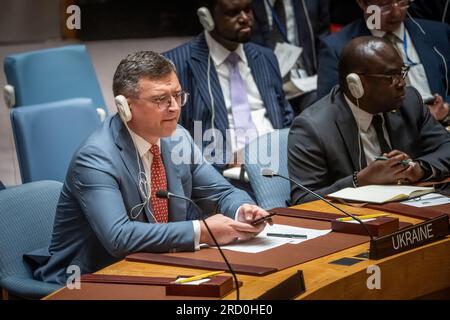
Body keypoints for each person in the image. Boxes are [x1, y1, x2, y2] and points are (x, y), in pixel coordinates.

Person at [25, 51, 269, 284]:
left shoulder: (178, 138)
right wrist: (201, 231)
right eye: (161, 99)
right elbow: (119, 238)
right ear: (125, 106)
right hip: (90, 277)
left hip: (156, 265)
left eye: (177, 95)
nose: (174, 107)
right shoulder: (95, 158)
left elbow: (222, 193)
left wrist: (242, 211)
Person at [288, 36, 450, 204]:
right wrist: (359, 181)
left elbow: (446, 147)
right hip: (357, 220)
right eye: (390, 76)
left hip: (414, 208)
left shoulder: (410, 102)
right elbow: (303, 199)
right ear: (356, 84)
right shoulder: (313, 127)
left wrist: (419, 168)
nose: (401, 83)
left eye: (401, 72)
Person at [164, 0, 293, 173]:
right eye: (233, 13)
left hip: (280, 165)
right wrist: (225, 160)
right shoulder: (176, 65)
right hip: (223, 175)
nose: (245, 18)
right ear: (206, 17)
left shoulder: (265, 57)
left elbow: (286, 116)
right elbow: (170, 135)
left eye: (248, 10)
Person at [316, 0, 450, 125]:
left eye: (402, 2)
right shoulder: (337, 48)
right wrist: (417, 119)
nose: (396, 12)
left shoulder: (438, 33)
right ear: (362, 3)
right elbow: (333, 111)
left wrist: (446, 108)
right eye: (384, 6)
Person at [251, 0, 330, 114]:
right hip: (264, 82)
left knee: (319, 107)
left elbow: (323, 41)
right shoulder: (247, 6)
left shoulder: (310, 3)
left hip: (305, 78)